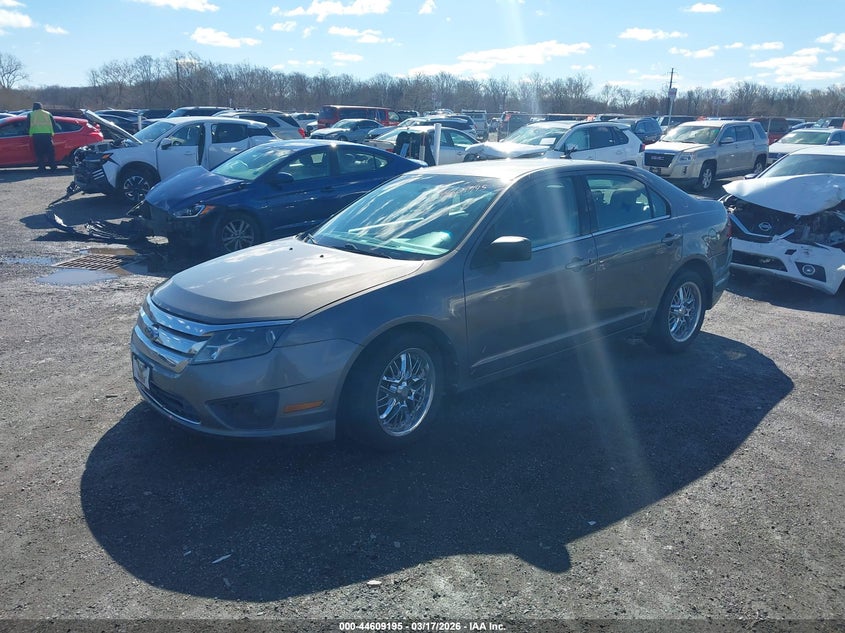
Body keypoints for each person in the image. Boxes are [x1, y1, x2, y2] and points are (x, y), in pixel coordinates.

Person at [27, 102, 56, 173]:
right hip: (47, 135)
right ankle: (53, 167)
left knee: (39, 153)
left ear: (34, 107)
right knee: (50, 152)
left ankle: (42, 167)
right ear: (41, 107)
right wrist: (52, 132)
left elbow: (27, 125)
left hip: (37, 136)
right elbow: (54, 124)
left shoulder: (31, 114)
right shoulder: (48, 114)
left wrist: (29, 133)